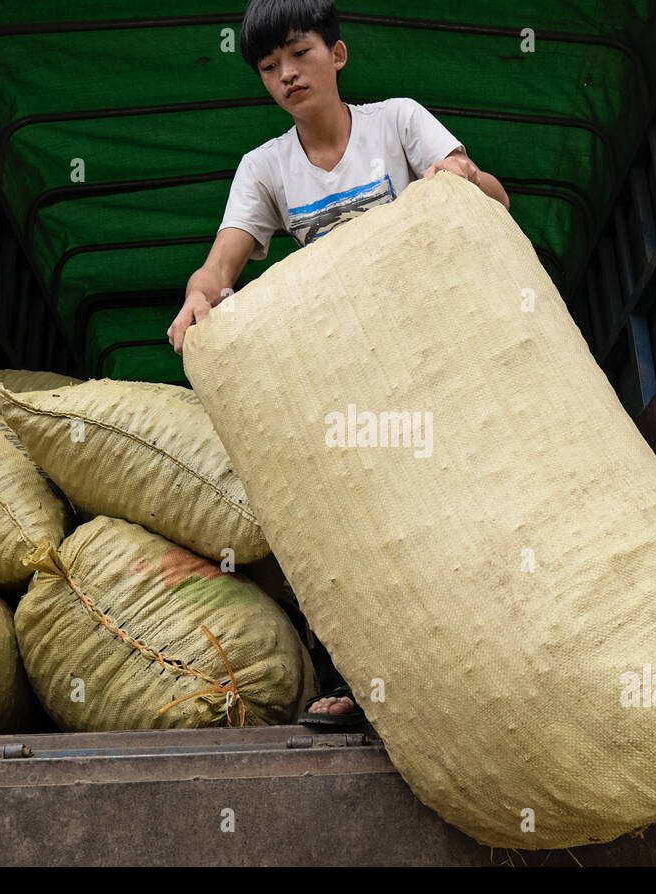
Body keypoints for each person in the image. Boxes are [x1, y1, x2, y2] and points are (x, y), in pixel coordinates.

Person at [167, 0, 510, 722]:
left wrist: (462, 180)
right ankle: (361, 686)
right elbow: (218, 267)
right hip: (344, 376)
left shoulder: (399, 123)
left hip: (434, 354)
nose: (287, 75)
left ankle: (490, 668)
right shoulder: (265, 169)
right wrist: (200, 301)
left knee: (462, 509)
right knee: (356, 528)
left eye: (299, 54)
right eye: (269, 67)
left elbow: (490, 202)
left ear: (338, 55)